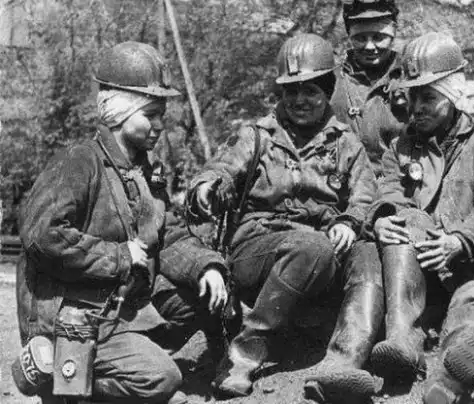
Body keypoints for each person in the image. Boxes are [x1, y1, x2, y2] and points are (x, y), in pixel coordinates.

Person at [15, 41, 228, 404]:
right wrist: (120, 256)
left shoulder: (143, 170)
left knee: (201, 297)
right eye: (151, 114)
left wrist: (206, 266)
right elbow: (42, 236)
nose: (160, 125)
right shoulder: (79, 162)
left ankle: (117, 368)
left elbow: (167, 235)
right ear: (119, 111)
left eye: (162, 114)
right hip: (74, 316)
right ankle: (64, 381)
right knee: (162, 379)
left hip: (121, 309)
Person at [186, 33, 383, 403]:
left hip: (321, 251)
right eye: (291, 91)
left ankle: (345, 361)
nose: (299, 100)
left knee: (367, 253)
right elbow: (223, 169)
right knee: (311, 246)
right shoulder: (257, 136)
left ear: (328, 92)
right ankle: (243, 355)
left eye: (311, 91)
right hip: (258, 250)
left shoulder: (345, 143)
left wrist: (349, 221)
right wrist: (207, 187)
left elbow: (365, 195)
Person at [368, 33, 474, 403]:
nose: (416, 108)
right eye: (411, 97)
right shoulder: (400, 146)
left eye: (428, 97)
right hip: (421, 268)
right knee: (401, 224)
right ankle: (402, 342)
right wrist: (382, 217)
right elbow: (389, 193)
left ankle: (448, 381)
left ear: (453, 94)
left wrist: (460, 241)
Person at [331, 0, 406, 178]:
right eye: (360, 38)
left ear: (393, 34)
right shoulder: (332, 81)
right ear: (349, 36)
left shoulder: (410, 78)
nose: (370, 46)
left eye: (379, 37)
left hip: (401, 184)